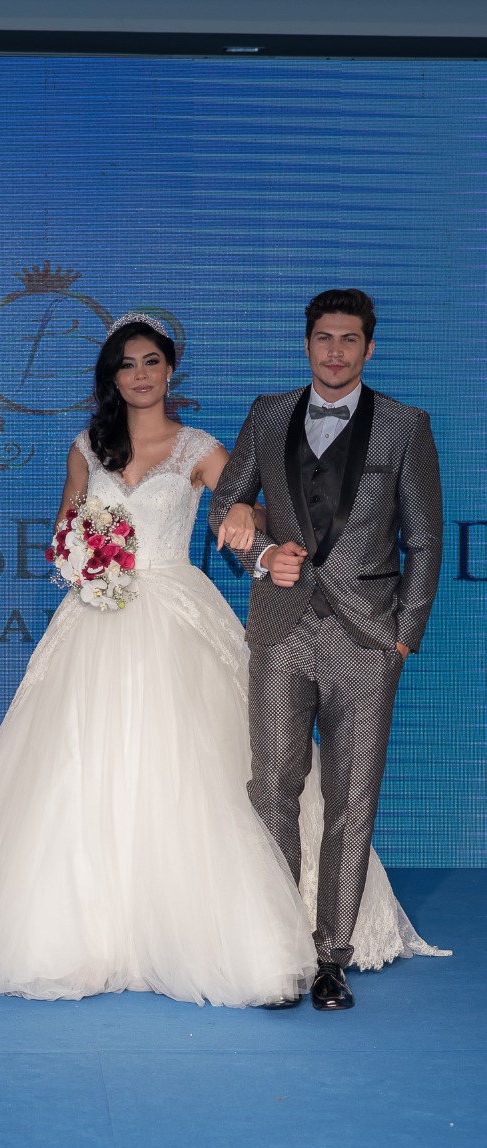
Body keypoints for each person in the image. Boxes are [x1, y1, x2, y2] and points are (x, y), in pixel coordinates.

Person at [0, 313, 446, 1007]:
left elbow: (249, 512)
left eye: (152, 362)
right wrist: (83, 556)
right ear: (112, 377)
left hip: (174, 614)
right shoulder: (85, 447)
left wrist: (245, 524)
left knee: (213, 767)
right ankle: (90, 932)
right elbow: (65, 528)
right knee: (77, 765)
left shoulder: (199, 448)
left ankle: (279, 931)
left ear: (169, 371)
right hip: (93, 620)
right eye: (127, 364)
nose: (140, 375)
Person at [209, 289, 446, 1010]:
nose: (335, 351)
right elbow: (224, 508)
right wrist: (259, 556)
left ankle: (330, 959)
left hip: (367, 637)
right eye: (323, 338)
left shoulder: (404, 425)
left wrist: (404, 634)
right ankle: (276, 948)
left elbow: (424, 538)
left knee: (351, 797)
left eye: (349, 340)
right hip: (280, 627)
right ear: (306, 344)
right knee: (272, 788)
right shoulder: (268, 413)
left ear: (369, 347)